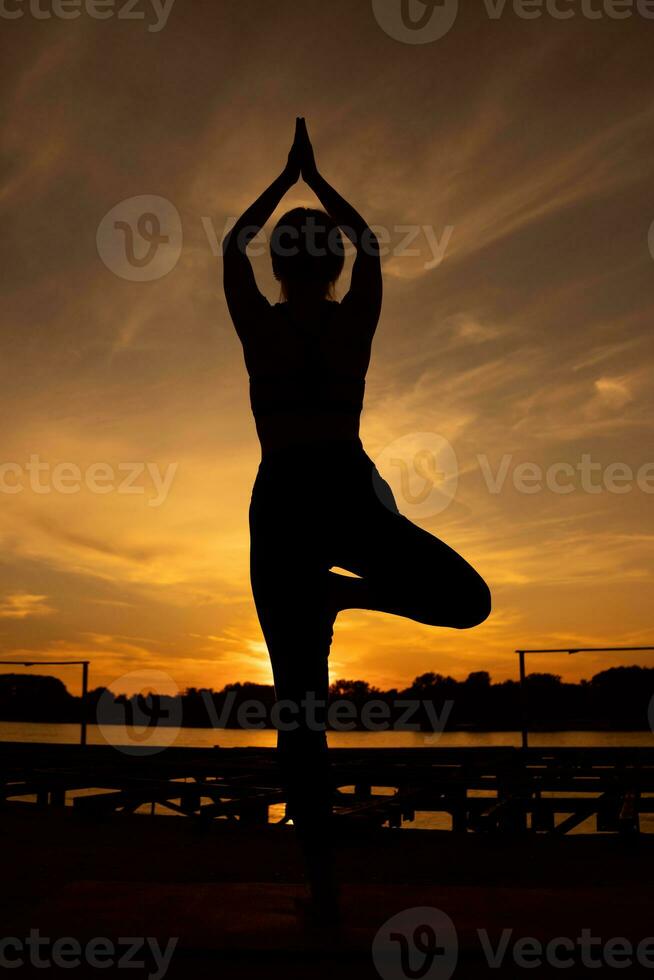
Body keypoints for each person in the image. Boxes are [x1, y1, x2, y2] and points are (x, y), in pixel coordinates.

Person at [222, 118, 491, 922]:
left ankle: (322, 880)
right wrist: (317, 180)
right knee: (463, 601)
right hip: (339, 494)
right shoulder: (349, 326)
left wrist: (285, 180)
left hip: (287, 503)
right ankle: (345, 599)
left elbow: (232, 245)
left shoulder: (262, 328)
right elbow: (369, 242)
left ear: (281, 264)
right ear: (334, 264)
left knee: (298, 698)